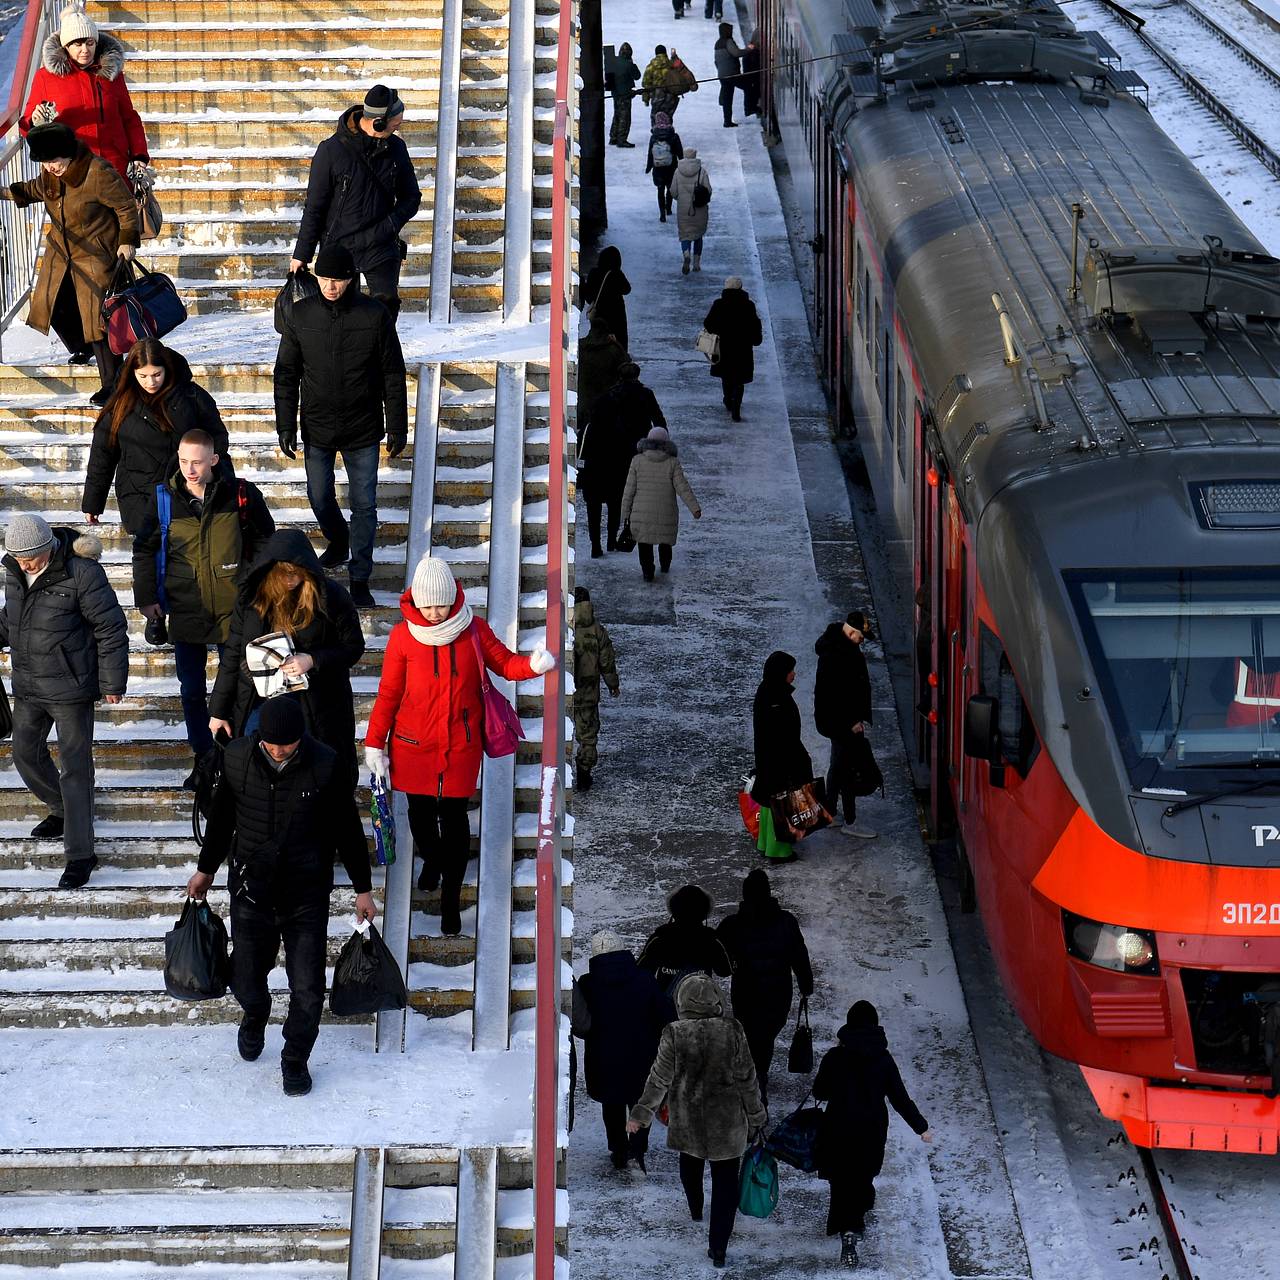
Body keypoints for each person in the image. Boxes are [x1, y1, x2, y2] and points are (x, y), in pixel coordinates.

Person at [186, 695, 377, 1098]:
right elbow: (221, 820)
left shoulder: (325, 764)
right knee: (244, 978)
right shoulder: (237, 758)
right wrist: (206, 869)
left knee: (307, 988)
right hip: (250, 891)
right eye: (271, 744)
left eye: (286, 745)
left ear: (300, 739)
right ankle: (255, 1014)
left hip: (305, 895)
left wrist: (363, 889)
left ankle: (295, 1059)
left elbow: (347, 830)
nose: (277, 751)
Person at [363, 556, 555, 935]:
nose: (435, 613)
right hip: (412, 746)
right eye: (427, 604)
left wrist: (534, 665)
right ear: (416, 601)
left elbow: (504, 664)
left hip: (460, 747)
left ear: (453, 599)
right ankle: (432, 861)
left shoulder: (473, 630)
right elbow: (388, 694)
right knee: (420, 819)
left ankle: (450, 897)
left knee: (454, 823)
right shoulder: (403, 637)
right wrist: (374, 743)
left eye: (441, 604)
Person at [132, 429, 275, 782]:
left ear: (214, 459)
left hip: (236, 610)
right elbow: (144, 548)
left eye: (197, 462)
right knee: (192, 690)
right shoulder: (164, 498)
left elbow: (266, 540)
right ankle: (204, 756)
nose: (189, 469)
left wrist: (252, 587)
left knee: (241, 687)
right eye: (183, 461)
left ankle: (234, 756)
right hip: (185, 606)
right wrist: (147, 598)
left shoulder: (240, 494)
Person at [274, 242, 408, 608]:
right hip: (317, 424)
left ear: (352, 279)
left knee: (364, 504)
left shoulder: (374, 315)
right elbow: (286, 372)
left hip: (362, 424)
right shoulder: (300, 315)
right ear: (316, 277)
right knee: (319, 495)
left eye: (338, 280)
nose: (331, 286)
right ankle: (338, 538)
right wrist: (284, 424)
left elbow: (392, 372)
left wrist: (398, 424)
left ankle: (360, 575)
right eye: (325, 279)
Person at [0, 513, 127, 888]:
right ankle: (62, 809)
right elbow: (13, 621)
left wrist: (112, 680)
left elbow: (110, 626)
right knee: (24, 753)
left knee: (75, 770)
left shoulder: (82, 573)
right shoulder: (15, 571)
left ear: (47, 549)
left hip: (71, 688)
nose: (25, 565)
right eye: (19, 559)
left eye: (31, 559)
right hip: (28, 686)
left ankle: (80, 854)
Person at [627, 974, 766, 1269]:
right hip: (727, 1124)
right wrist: (756, 1116)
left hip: (688, 1120)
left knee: (690, 1166)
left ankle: (695, 1207)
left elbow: (659, 1079)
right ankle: (718, 1247)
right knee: (726, 1184)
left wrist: (641, 1114)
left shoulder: (674, 1033)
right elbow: (747, 1078)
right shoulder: (733, 1031)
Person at [208, 529, 365, 788]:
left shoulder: (331, 597)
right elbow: (234, 653)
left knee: (313, 777)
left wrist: (312, 660)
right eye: (283, 573)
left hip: (317, 703)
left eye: (296, 573)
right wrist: (218, 711)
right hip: (259, 700)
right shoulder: (252, 599)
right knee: (255, 773)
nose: (290, 580)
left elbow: (353, 647)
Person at [0, 123, 137, 405]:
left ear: (69, 154)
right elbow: (34, 189)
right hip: (61, 253)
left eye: (54, 161)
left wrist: (128, 241)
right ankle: (83, 346)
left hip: (96, 254)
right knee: (52, 305)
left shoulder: (97, 172)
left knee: (98, 320)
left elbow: (126, 206)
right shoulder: (50, 174)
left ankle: (113, 384)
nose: (50, 168)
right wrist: (4, 193)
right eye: (44, 163)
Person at [813, 1000, 931, 1268]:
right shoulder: (883, 1060)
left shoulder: (834, 1057)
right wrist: (921, 1127)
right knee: (862, 1174)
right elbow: (900, 1098)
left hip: (838, 1126)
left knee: (841, 1178)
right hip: (871, 1129)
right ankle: (856, 1221)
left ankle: (845, 1226)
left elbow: (820, 1092)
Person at [290, 84, 422, 320]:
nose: (398, 128)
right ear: (379, 122)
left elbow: (411, 197)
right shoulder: (330, 151)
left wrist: (390, 225)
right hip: (340, 246)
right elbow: (315, 207)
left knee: (384, 311)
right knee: (341, 319)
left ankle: (379, 356)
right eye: (395, 123)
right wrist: (302, 253)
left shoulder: (396, 148)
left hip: (381, 246)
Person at [83, 339, 232, 536]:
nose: (150, 382)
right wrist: (93, 502)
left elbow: (218, 442)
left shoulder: (191, 396)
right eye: (143, 376)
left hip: (187, 491)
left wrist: (222, 485)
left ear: (167, 369)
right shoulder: (120, 402)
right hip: (138, 495)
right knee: (148, 558)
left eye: (156, 374)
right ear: (132, 373)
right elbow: (103, 454)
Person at [572, 930, 674, 1171]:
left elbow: (583, 1022)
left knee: (612, 1105)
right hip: (642, 1056)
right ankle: (638, 1147)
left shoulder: (588, 983)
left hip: (603, 1058)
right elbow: (664, 1015)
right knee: (640, 1101)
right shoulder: (645, 979)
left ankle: (618, 1151)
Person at [716, 868, 814, 1103]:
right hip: (778, 994)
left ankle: (751, 1082)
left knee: (748, 1035)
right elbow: (799, 955)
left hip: (746, 993)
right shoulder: (787, 921)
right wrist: (806, 984)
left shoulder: (732, 925)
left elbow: (720, 964)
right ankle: (759, 1079)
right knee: (766, 1037)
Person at [21, 3, 149, 182]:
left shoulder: (111, 74)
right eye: (77, 44)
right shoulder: (46, 77)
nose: (85, 50)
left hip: (114, 169)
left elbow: (129, 118)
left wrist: (139, 156)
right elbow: (26, 125)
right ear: (66, 46)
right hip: (72, 173)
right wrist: (35, 122)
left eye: (90, 43)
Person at [578, 362, 665, 556]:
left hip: (599, 461)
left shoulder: (606, 398)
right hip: (627, 455)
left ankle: (595, 545)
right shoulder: (645, 395)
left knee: (594, 506)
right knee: (616, 501)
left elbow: (586, 433)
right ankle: (611, 540)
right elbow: (659, 421)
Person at [815, 610, 877, 839]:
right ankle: (850, 821)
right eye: (861, 637)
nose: (862, 642)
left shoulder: (836, 647)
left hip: (833, 721)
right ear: (852, 632)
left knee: (838, 764)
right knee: (847, 768)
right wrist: (852, 722)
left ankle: (830, 811)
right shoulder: (840, 655)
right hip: (841, 723)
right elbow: (837, 696)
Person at [751, 651, 813, 862]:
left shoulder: (767, 691)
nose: (794, 675)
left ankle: (765, 843)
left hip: (768, 760)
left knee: (769, 801)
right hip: (779, 761)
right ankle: (779, 851)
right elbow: (785, 736)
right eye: (790, 671)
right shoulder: (777, 698)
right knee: (781, 802)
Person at [620, 426, 701, 582]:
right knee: (665, 540)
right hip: (666, 511)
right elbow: (683, 487)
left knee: (644, 542)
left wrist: (624, 513)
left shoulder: (637, 461)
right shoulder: (672, 462)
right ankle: (665, 564)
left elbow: (629, 490)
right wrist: (695, 509)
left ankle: (647, 572)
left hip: (641, 512)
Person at [637, 884, 733, 992]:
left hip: (666, 1004)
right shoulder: (711, 939)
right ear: (705, 912)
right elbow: (725, 971)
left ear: (674, 909)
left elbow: (641, 970)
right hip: (701, 1002)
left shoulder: (661, 937)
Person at [572, 588, 619, 792]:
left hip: (565, 690)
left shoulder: (566, 628)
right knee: (588, 735)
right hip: (589, 692)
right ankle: (584, 772)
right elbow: (607, 661)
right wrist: (613, 684)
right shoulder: (597, 630)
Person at [702, 277, 762, 421]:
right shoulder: (748, 305)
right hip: (743, 348)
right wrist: (756, 339)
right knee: (739, 379)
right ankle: (736, 406)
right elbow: (754, 325)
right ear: (741, 288)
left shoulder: (719, 304)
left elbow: (708, 324)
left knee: (726, 376)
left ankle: (728, 400)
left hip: (724, 347)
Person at [576, 311, 629, 433]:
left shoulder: (581, 346)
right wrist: (616, 343)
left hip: (585, 394)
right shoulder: (612, 349)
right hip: (606, 394)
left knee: (585, 430)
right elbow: (627, 363)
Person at [582, 245, 631, 352]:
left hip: (599, 315)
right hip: (617, 318)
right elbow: (627, 289)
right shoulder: (616, 274)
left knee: (599, 344)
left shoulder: (594, 273)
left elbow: (589, 297)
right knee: (619, 348)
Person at [670, 149, 711, 276]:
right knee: (698, 235)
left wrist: (681, 199)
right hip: (699, 209)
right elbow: (708, 190)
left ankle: (686, 254)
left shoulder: (677, 171)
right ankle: (697, 264)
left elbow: (673, 191)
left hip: (684, 209)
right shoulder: (702, 171)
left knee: (685, 234)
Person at [645, 111, 683, 222]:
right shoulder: (673, 136)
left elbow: (650, 153)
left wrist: (648, 167)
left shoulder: (654, 137)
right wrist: (682, 162)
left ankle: (662, 214)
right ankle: (669, 208)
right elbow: (679, 152)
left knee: (660, 189)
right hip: (671, 167)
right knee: (670, 188)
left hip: (658, 168)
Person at [608, 42, 639, 147]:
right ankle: (622, 140)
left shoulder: (613, 61)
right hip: (625, 95)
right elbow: (637, 76)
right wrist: (632, 64)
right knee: (624, 118)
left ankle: (613, 137)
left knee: (616, 114)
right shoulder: (629, 64)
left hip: (615, 93)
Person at [713, 24, 744, 127]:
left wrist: (721, 71)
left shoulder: (717, 43)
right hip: (732, 74)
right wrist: (749, 50)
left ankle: (727, 121)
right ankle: (753, 107)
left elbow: (716, 62)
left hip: (722, 75)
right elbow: (736, 53)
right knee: (749, 86)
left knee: (727, 99)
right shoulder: (728, 41)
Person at [741, 34, 762, 118]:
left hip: (748, 73)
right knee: (750, 91)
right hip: (751, 74)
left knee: (749, 91)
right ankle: (750, 109)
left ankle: (749, 108)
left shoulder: (749, 49)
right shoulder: (753, 51)